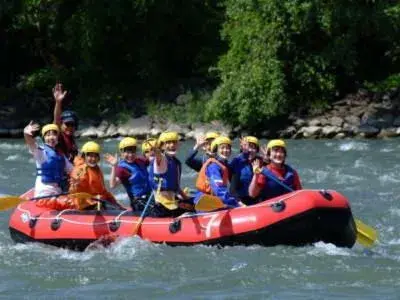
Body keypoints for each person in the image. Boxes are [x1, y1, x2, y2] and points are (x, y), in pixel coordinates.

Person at [24, 122, 73, 198]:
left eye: (54, 134)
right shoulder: (40, 151)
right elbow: (31, 144)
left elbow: (72, 170)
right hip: (44, 191)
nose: (51, 137)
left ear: (57, 137)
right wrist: (27, 134)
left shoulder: (61, 154)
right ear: (44, 138)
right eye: (48, 135)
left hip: (58, 190)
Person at [194, 136, 244, 209]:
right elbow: (218, 189)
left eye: (227, 148)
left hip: (215, 199)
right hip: (204, 201)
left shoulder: (224, 165)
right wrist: (236, 203)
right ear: (216, 150)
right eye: (222, 148)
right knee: (234, 205)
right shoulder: (213, 166)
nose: (225, 150)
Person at [69, 141, 121, 209]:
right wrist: (75, 185)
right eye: (90, 156)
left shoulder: (96, 169)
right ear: (84, 156)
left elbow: (102, 191)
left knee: (117, 207)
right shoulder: (80, 169)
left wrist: (114, 202)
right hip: (85, 204)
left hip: (97, 201)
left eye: (95, 156)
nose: (93, 159)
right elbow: (74, 190)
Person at [148, 131, 188, 217]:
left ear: (178, 145)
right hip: (161, 206)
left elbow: (176, 186)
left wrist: (186, 199)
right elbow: (159, 158)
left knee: (192, 207)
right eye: (168, 142)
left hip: (172, 201)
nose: (172, 145)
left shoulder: (175, 162)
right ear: (162, 146)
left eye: (174, 142)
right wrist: (157, 152)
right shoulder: (162, 160)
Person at [105, 137, 151, 211]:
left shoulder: (141, 161)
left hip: (151, 197)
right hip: (138, 203)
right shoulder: (122, 169)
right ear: (122, 153)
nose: (130, 155)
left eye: (133, 152)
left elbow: (153, 161)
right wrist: (114, 166)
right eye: (127, 152)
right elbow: (112, 185)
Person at [230, 136, 261, 205]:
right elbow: (232, 189)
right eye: (248, 147)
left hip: (257, 198)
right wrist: (239, 202)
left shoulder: (261, 161)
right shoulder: (236, 162)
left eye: (253, 147)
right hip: (241, 199)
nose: (250, 150)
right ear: (243, 148)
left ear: (257, 150)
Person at [52, 83, 79, 163]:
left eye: (72, 124)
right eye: (67, 124)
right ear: (61, 125)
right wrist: (58, 102)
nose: (70, 127)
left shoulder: (72, 139)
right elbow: (56, 121)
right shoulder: (59, 136)